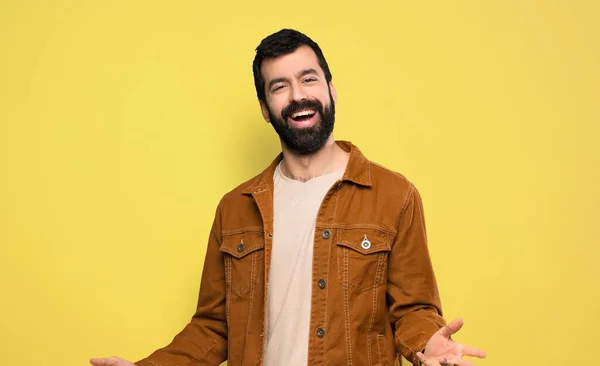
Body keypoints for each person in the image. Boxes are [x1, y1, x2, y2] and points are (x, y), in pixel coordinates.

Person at [91, 29, 486, 366]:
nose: (298, 96)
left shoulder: (394, 195)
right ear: (265, 108)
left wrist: (427, 344)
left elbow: (413, 310)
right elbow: (213, 327)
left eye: (308, 79)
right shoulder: (235, 208)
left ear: (331, 89)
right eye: (280, 86)